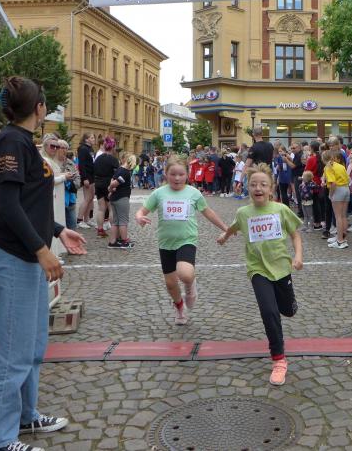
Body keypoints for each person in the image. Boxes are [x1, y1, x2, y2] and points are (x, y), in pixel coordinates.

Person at [0, 76, 86, 451]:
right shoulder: (11, 141)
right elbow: (7, 206)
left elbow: (26, 203)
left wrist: (57, 230)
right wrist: (42, 249)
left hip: (27, 258)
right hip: (13, 257)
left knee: (32, 346)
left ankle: (25, 416)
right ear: (39, 108)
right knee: (10, 351)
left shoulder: (23, 141)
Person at [217, 163, 303, 386]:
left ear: (271, 188)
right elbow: (234, 227)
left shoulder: (281, 210)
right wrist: (224, 237)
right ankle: (279, 359)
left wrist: (298, 256)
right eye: (253, 184)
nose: (258, 188)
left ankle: (290, 304)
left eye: (263, 184)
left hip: (281, 268)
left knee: (287, 310)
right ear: (248, 187)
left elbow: (295, 235)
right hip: (257, 269)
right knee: (269, 311)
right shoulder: (243, 213)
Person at [135, 156, 228, 325]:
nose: (177, 178)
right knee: (170, 284)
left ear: (187, 174)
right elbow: (142, 211)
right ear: (166, 174)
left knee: (185, 273)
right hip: (166, 243)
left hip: (187, 240)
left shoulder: (193, 193)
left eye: (181, 174)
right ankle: (179, 307)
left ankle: (190, 286)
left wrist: (225, 228)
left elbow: (208, 212)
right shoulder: (159, 193)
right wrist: (139, 217)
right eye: (173, 174)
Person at [107, 153, 136, 249]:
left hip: (115, 198)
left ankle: (112, 242)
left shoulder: (119, 169)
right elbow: (115, 183)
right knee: (123, 221)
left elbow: (112, 180)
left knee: (115, 221)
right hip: (122, 198)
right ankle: (124, 241)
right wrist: (111, 188)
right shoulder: (125, 172)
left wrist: (111, 189)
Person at [323, 150, 350, 249]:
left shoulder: (328, 167)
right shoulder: (340, 166)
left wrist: (330, 195)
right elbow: (348, 179)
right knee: (343, 216)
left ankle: (340, 241)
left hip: (338, 190)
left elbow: (333, 183)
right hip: (346, 188)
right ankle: (342, 238)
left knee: (338, 216)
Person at [93, 137, 119, 238]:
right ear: (113, 147)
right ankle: (114, 231)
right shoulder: (113, 160)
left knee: (101, 208)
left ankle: (100, 230)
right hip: (108, 185)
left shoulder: (98, 158)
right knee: (111, 208)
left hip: (98, 184)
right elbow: (116, 174)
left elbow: (94, 170)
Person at [56, 139, 80, 230]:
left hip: (70, 200)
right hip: (57, 200)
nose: (64, 150)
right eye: (62, 148)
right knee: (58, 227)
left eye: (66, 148)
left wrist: (70, 183)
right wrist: (64, 177)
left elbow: (78, 180)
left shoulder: (71, 163)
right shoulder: (52, 163)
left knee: (72, 227)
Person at [77, 133, 96, 228]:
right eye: (92, 138)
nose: (94, 139)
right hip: (87, 176)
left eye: (93, 138)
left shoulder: (91, 149)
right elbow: (82, 165)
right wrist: (84, 178)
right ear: (86, 139)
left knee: (91, 198)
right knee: (87, 198)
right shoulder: (83, 149)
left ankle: (87, 219)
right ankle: (79, 220)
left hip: (92, 176)